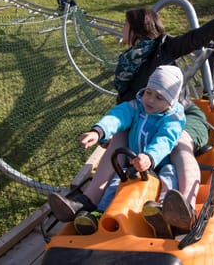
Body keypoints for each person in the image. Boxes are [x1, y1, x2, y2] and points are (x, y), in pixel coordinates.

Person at [49, 0, 214, 237]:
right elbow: (125, 108)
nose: (122, 29)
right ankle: (88, 200)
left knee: (179, 143)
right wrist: (102, 130)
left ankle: (182, 202)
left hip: (179, 115)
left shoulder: (165, 47)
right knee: (120, 137)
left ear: (137, 29)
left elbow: (201, 35)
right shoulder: (128, 63)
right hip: (145, 117)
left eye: (125, 25)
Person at [68, 65, 186, 236]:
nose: (150, 100)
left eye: (159, 97)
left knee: (170, 173)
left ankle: (162, 210)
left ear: (171, 101)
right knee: (117, 179)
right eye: (148, 92)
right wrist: (99, 131)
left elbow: (166, 140)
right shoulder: (136, 107)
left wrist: (150, 156)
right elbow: (117, 116)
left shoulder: (173, 118)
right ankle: (101, 213)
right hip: (134, 164)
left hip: (157, 165)